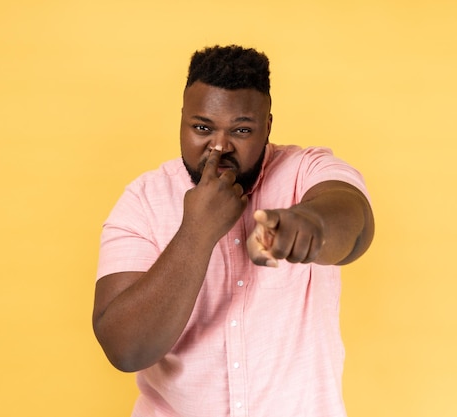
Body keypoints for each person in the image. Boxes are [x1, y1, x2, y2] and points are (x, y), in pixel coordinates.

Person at [92, 45, 375, 417]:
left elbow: (354, 225)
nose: (219, 146)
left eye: (241, 129)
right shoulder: (143, 201)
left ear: (267, 127)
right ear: (181, 119)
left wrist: (310, 224)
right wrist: (196, 232)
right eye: (202, 128)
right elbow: (126, 349)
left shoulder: (305, 170)